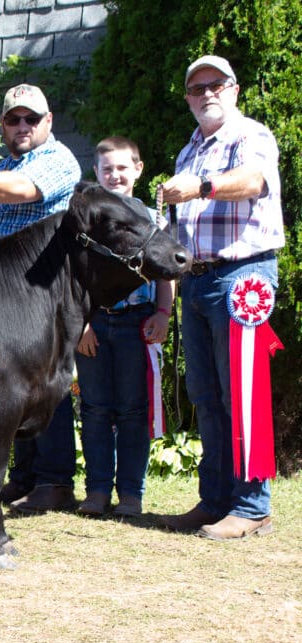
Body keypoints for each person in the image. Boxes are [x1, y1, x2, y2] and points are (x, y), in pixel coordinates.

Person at [160, 55, 284, 539]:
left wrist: (202, 187)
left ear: (234, 90)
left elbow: (252, 182)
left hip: (242, 278)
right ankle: (214, 500)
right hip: (196, 278)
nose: (207, 93)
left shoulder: (251, 135)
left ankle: (252, 507)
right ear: (188, 99)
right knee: (207, 398)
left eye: (216, 84)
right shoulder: (188, 149)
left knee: (243, 395)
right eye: (197, 88)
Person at [0, 83, 82, 513]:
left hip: (38, 292)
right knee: (11, 388)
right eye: (13, 119)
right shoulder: (3, 164)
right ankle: (26, 476)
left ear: (48, 122)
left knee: (43, 386)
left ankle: (56, 481)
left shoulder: (57, 160)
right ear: (3, 126)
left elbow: (21, 191)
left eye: (31, 118)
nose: (22, 126)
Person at [75, 136, 174, 517]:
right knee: (95, 409)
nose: (114, 175)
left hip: (139, 324)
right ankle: (97, 491)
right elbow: (79, 275)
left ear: (138, 169)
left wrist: (162, 314)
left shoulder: (153, 218)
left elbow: (166, 273)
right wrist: (82, 323)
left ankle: (131, 494)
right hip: (97, 325)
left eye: (121, 167)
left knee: (133, 411)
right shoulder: (90, 222)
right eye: (106, 169)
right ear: (96, 174)